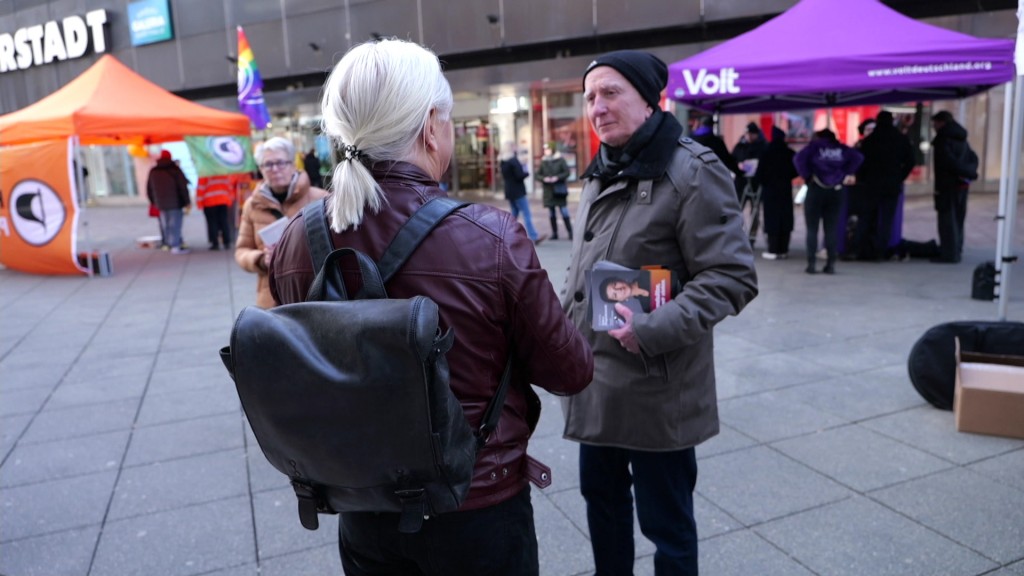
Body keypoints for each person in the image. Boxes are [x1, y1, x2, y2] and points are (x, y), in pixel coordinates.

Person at [267, 39, 593, 576]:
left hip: (362, 504)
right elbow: (571, 371)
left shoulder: (296, 240)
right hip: (476, 504)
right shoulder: (489, 236)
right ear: (428, 126)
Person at [562, 49, 758, 576]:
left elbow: (732, 276)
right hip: (595, 382)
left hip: (658, 386)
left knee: (666, 525)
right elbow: (585, 272)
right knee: (602, 509)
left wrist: (652, 328)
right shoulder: (602, 170)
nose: (597, 108)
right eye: (589, 98)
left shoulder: (693, 170)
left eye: (610, 93)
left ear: (651, 100)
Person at [235, 137, 327, 309]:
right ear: (261, 169)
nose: (275, 169)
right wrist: (262, 259)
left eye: (280, 162)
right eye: (268, 164)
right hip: (270, 299)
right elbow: (242, 251)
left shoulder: (321, 199)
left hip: (314, 295)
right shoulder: (252, 206)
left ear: (293, 164)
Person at [793, 128, 863, 274]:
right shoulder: (841, 149)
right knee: (831, 228)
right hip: (836, 190)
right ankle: (830, 264)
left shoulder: (814, 147)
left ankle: (811, 264)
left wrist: (807, 175)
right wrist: (845, 172)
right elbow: (858, 157)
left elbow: (798, 159)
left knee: (812, 229)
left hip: (815, 188)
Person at [856, 110, 916, 261]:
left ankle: (863, 250)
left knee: (867, 217)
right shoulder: (900, 139)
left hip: (871, 183)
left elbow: (860, 162)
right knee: (887, 219)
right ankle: (881, 251)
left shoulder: (870, 140)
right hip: (892, 184)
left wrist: (862, 178)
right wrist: (900, 177)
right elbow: (910, 161)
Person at [930, 110, 975, 263]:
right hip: (962, 185)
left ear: (941, 122)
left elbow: (948, 162)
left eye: (935, 123)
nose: (934, 127)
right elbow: (973, 157)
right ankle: (956, 249)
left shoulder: (943, 140)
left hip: (946, 186)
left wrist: (962, 171)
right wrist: (968, 173)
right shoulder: (962, 139)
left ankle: (949, 254)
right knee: (958, 219)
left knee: (947, 220)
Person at [755, 126, 798, 259]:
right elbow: (796, 170)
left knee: (772, 219)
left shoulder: (766, 152)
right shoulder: (789, 153)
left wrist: (764, 182)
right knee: (785, 218)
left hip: (770, 191)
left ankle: (773, 249)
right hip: (785, 189)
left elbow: (759, 174)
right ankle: (784, 249)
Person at [146, 150, 192, 254]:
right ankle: (175, 245)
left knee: (165, 224)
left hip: (160, 203)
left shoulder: (154, 171)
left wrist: (153, 201)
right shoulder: (175, 169)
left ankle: (168, 244)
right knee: (175, 224)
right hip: (175, 202)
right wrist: (187, 201)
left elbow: (149, 189)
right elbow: (182, 187)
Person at [500, 143, 547, 244]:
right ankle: (534, 236)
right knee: (526, 214)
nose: (516, 148)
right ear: (511, 148)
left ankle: (506, 235)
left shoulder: (503, 162)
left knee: (514, 214)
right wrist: (527, 172)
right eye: (514, 146)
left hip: (509, 191)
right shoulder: (513, 160)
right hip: (518, 191)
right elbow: (519, 175)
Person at [535, 143, 573, 240]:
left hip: (559, 190)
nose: (546, 151)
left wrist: (557, 178)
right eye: (545, 150)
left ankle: (570, 233)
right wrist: (544, 178)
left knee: (564, 211)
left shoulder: (560, 160)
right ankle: (555, 233)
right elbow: (538, 175)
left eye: (547, 149)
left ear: (552, 150)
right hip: (549, 191)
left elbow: (567, 172)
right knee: (551, 213)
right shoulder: (544, 161)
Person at [195, 174, 236, 250]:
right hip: (223, 200)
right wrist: (230, 199)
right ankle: (227, 242)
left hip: (209, 201)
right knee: (224, 221)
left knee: (212, 223)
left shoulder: (204, 174)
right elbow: (229, 187)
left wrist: (199, 203)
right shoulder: (223, 174)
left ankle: (215, 243)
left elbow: (200, 189)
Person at [731, 121, 768, 203]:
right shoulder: (740, 145)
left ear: (757, 134)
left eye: (751, 134)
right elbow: (732, 159)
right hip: (741, 179)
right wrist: (737, 165)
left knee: (755, 204)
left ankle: (755, 215)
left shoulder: (763, 146)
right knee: (738, 204)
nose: (749, 136)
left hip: (756, 181)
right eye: (747, 134)